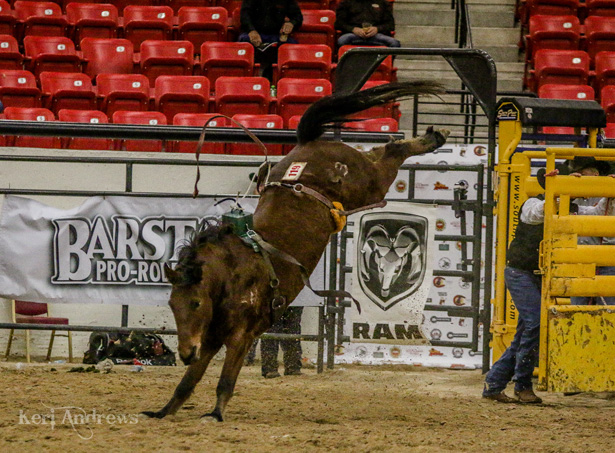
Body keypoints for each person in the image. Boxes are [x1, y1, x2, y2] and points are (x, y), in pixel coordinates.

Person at [483, 165, 598, 404]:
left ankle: (494, 383)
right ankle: (522, 385)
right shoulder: (532, 204)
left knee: (528, 329)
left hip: (536, 274)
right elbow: (542, 212)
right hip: (522, 272)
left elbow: (600, 211)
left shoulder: (573, 208)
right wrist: (561, 189)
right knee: (534, 324)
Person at [568, 156, 615, 306]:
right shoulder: (569, 193)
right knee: (578, 306)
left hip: (605, 259)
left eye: (582, 173)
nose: (579, 176)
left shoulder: (608, 191)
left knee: (607, 307)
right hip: (579, 259)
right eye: (577, 173)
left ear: (595, 175)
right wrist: (567, 188)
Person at [238, 0, 303, 80]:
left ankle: (283, 80)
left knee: (292, 46)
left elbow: (298, 17)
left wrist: (291, 24)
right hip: (254, 33)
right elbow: (244, 16)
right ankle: (246, 78)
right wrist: (251, 31)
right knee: (243, 42)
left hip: (277, 35)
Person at [335, 0, 401, 48]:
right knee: (342, 40)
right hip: (353, 35)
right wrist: (353, 29)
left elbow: (390, 25)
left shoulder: (382, 3)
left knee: (394, 43)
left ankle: (385, 65)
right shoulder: (346, 3)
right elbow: (339, 24)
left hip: (376, 35)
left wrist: (377, 29)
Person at [261, 306, 303, 378]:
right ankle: (270, 368)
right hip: (274, 300)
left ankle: (293, 366)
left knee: (293, 329)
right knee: (272, 329)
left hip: (294, 301)